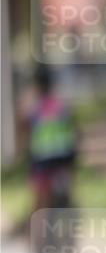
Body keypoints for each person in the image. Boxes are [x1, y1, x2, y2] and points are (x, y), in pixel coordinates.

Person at [26, 66, 77, 212]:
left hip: (42, 160)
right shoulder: (62, 105)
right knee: (67, 194)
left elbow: (27, 131)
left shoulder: (34, 107)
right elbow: (72, 131)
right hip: (64, 158)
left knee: (40, 202)